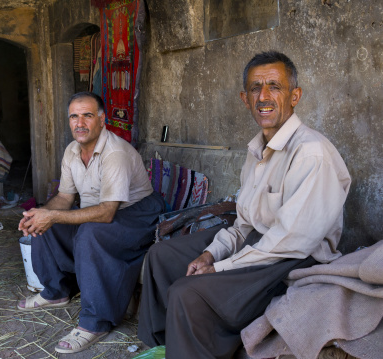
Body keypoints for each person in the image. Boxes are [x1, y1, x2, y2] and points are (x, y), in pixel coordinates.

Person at [137, 51, 351, 359]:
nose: (263, 96)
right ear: (244, 98)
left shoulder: (311, 153)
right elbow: (244, 224)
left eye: (274, 86)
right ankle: (165, 344)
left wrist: (220, 267)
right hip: (259, 244)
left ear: (295, 96)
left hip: (292, 260)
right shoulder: (256, 150)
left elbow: (289, 242)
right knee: (162, 256)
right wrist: (211, 253)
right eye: (255, 88)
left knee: (188, 292)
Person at [17, 92, 165, 354]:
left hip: (137, 214)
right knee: (44, 219)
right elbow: (64, 198)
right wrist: (39, 215)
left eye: (87, 115)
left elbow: (107, 213)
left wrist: (52, 215)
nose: (80, 123)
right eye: (74, 116)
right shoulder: (72, 151)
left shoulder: (115, 152)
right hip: (103, 212)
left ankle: (95, 322)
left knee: (88, 233)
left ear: (102, 119)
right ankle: (56, 291)